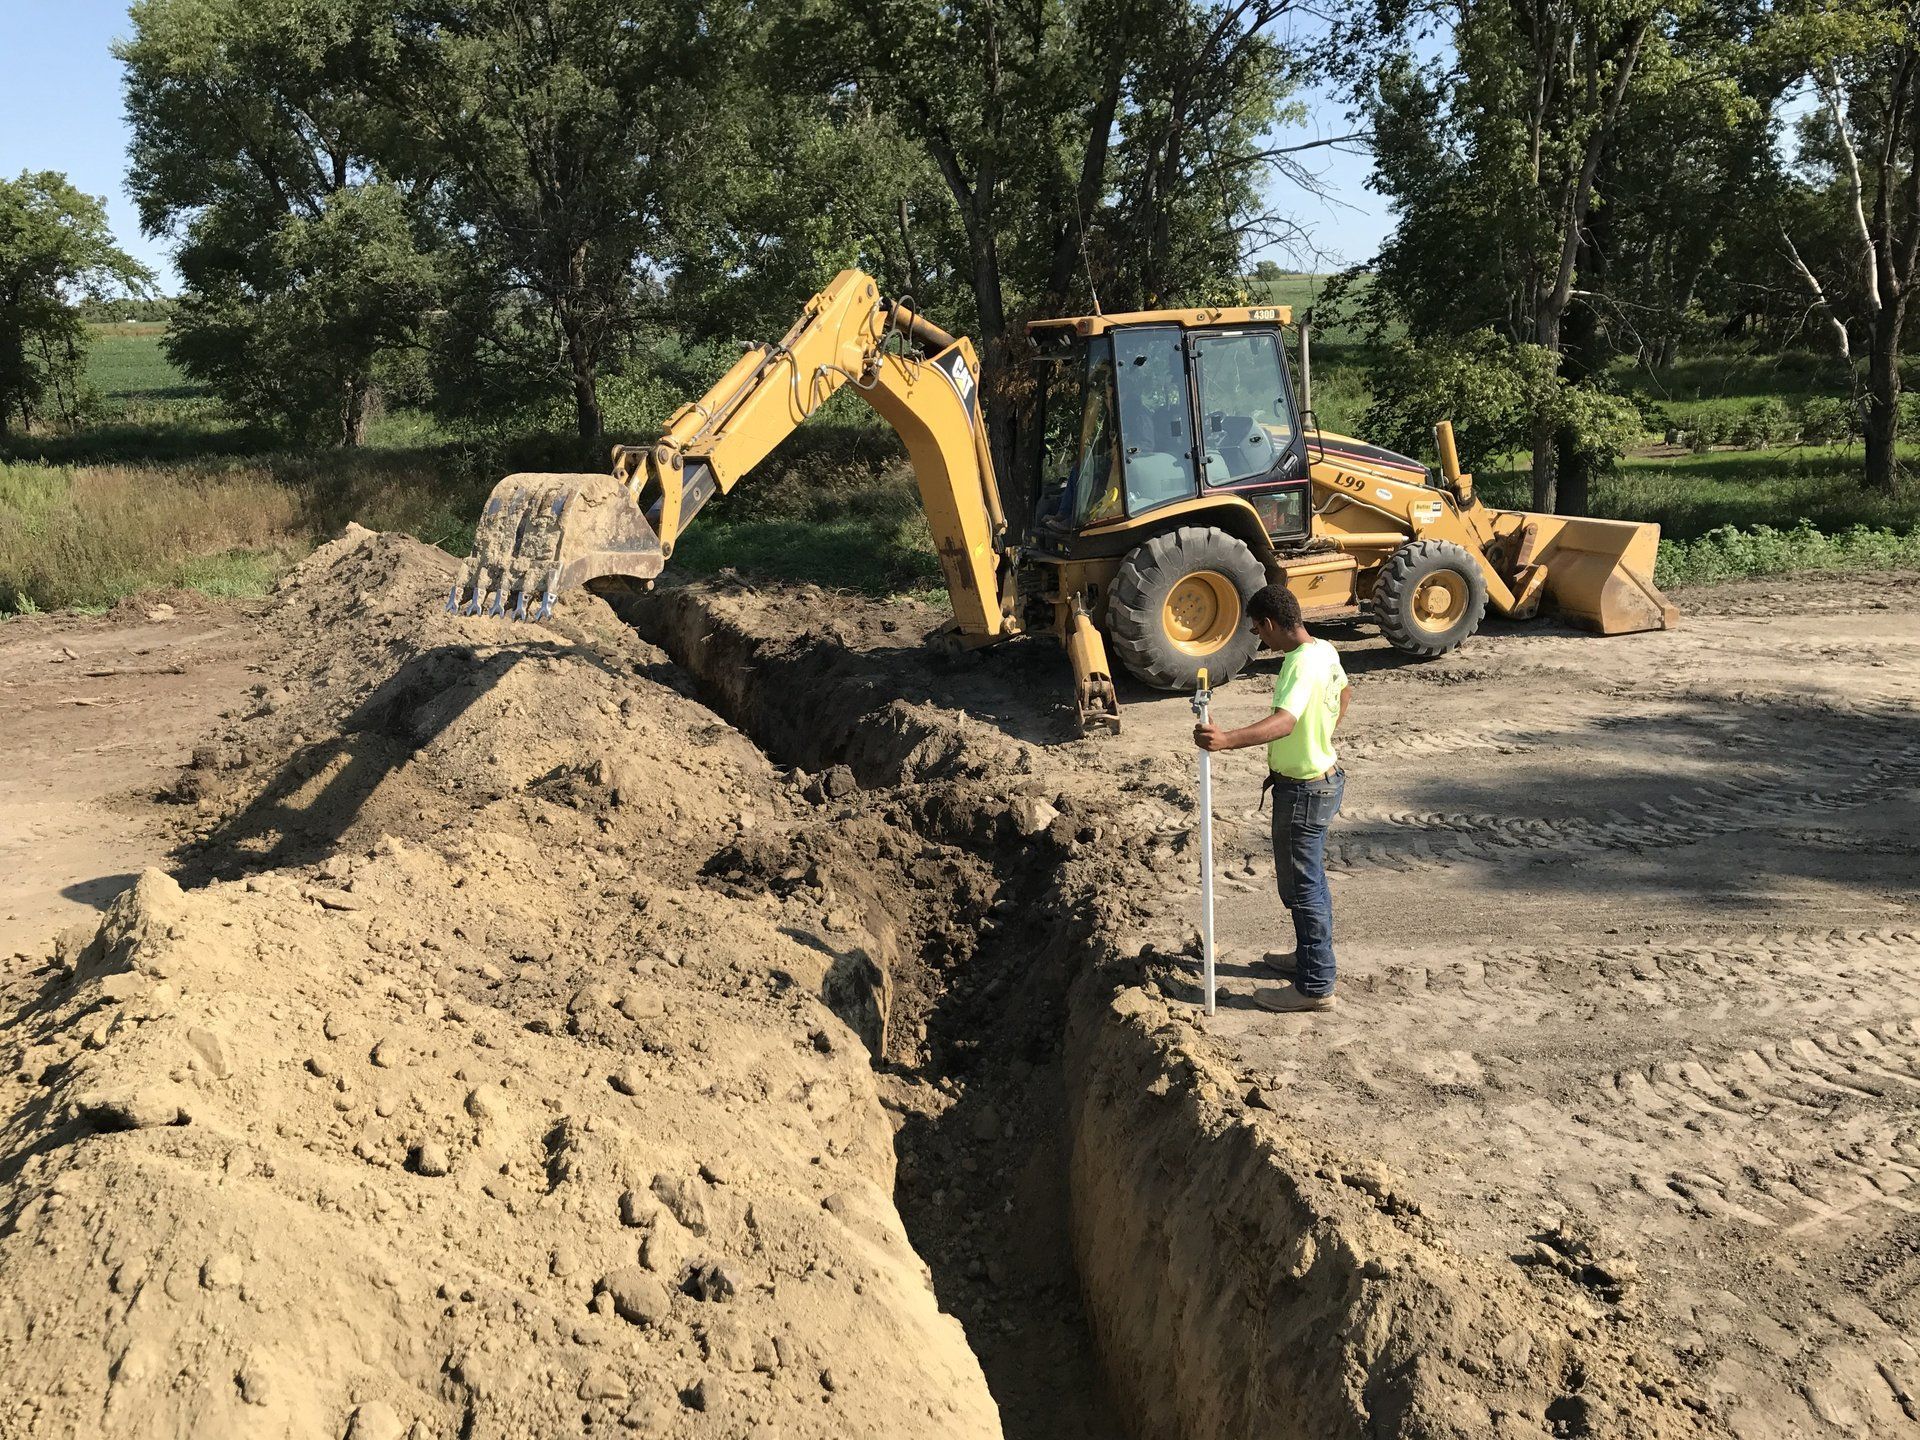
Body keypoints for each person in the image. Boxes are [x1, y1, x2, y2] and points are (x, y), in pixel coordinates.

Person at [1192, 584, 1351, 1012]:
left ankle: (1315, 985)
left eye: (1259, 632)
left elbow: (1283, 722)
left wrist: (1225, 740)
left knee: (1303, 889)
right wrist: (1321, 736)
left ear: (1270, 624)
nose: (1261, 641)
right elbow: (1345, 693)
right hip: (1322, 779)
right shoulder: (1324, 651)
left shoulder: (1299, 665)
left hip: (1303, 791)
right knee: (1310, 882)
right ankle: (1308, 958)